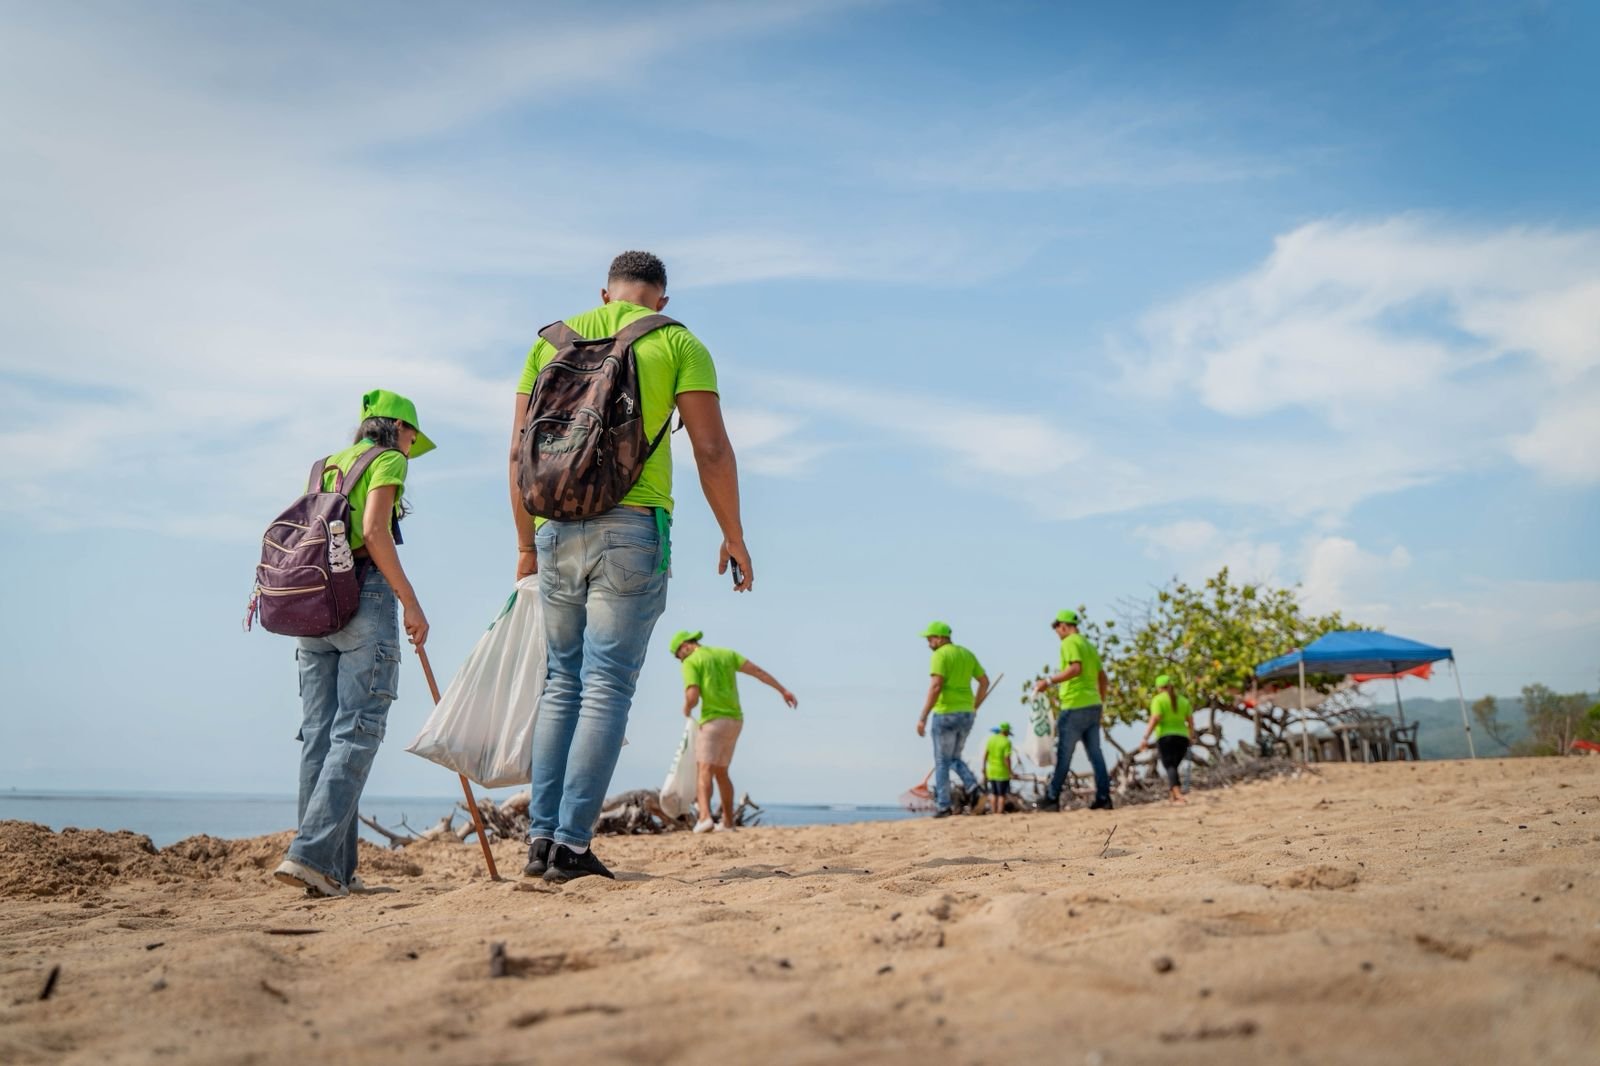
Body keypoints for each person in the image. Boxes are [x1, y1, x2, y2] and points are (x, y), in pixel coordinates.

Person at [510, 251, 750, 884]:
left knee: (561, 682)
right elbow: (711, 448)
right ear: (660, 299)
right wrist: (734, 534)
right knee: (608, 683)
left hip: (556, 527)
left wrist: (525, 546)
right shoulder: (677, 342)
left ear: (605, 292)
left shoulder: (550, 343)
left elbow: (518, 452)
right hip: (634, 524)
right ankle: (569, 845)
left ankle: (538, 841)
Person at [275, 390, 433, 899]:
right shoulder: (387, 461)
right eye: (412, 436)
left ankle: (333, 872)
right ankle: (309, 855)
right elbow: (373, 532)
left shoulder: (324, 467)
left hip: (314, 604)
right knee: (357, 732)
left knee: (320, 738)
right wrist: (411, 602)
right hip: (364, 596)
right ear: (396, 429)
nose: (412, 446)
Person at [669, 630, 797, 833]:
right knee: (722, 771)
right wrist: (783, 691)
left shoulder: (691, 661)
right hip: (735, 721)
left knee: (704, 770)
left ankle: (704, 817)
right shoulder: (726, 654)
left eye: (678, 656)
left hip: (712, 720)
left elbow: (692, 695)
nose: (680, 660)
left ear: (685, 646)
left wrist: (686, 708)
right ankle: (728, 822)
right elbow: (757, 671)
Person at [1033, 609, 1113, 811]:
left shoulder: (1070, 642)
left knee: (1064, 755)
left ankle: (1052, 798)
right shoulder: (1088, 645)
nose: (1058, 634)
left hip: (1074, 705)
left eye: (1058, 629)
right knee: (1096, 754)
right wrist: (1100, 702)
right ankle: (1104, 797)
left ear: (1063, 626)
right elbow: (1103, 677)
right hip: (1093, 705)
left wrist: (1048, 681)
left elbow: (1075, 668)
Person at [916, 621, 990, 818]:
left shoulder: (940, 655)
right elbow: (984, 681)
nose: (928, 642)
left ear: (940, 638)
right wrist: (975, 705)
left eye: (930, 638)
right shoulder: (966, 653)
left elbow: (936, 686)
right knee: (954, 758)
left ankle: (943, 805)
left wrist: (922, 716)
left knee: (942, 761)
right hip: (967, 714)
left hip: (946, 713)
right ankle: (975, 789)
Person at [1138, 674, 1195, 804]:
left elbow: (1155, 718)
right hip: (1182, 737)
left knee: (1169, 765)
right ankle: (1173, 794)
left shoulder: (1158, 700)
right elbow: (1190, 720)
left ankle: (1178, 794)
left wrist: (1145, 737)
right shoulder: (1183, 700)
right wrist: (1191, 735)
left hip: (1166, 737)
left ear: (1159, 688)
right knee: (1174, 765)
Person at [982, 722, 1015, 815]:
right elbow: (1006, 759)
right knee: (1001, 794)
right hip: (1002, 772)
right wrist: (1010, 771)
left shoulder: (991, 739)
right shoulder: (1006, 741)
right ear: (1006, 731)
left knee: (993, 793)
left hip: (991, 771)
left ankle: (993, 811)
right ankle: (999, 813)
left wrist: (983, 768)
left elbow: (985, 755)